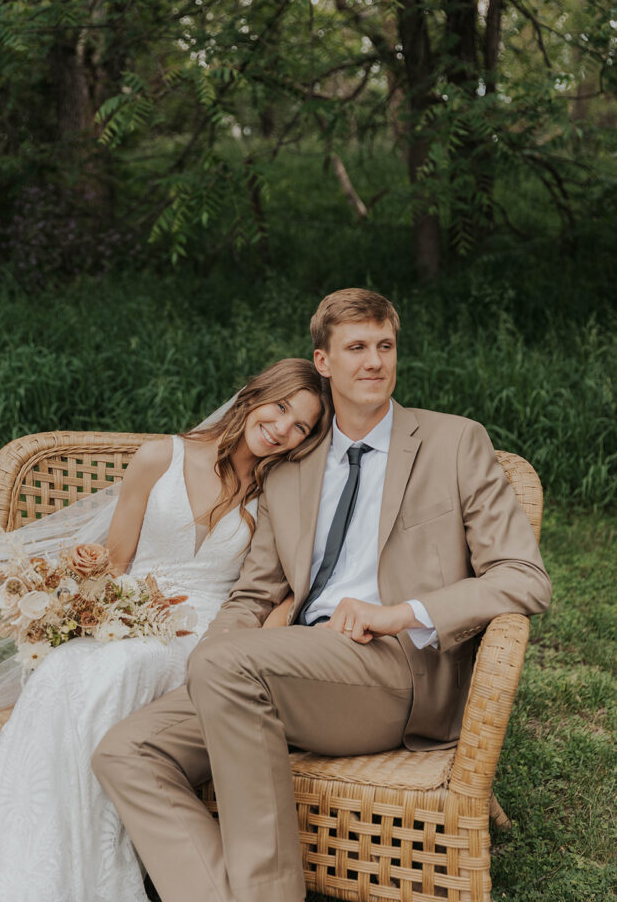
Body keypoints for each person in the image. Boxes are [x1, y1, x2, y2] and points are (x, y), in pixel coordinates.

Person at [93, 287, 553, 902]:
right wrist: (209, 663)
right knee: (127, 752)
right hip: (282, 668)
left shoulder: (453, 443)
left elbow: (524, 577)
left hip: (397, 671)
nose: (374, 362)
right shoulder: (293, 468)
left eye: (385, 346)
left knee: (229, 667)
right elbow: (253, 597)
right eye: (356, 347)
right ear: (324, 362)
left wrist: (400, 614)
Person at [0, 358, 332, 902]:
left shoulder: (279, 491)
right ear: (255, 394)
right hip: (133, 610)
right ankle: (33, 861)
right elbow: (116, 559)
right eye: (282, 407)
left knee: (122, 667)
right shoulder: (160, 458)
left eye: (302, 427)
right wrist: (83, 592)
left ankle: (87, 867)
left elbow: (287, 580)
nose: (284, 428)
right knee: (65, 667)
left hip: (205, 632)